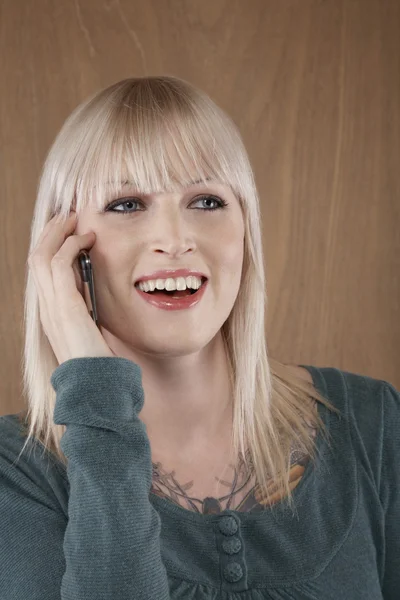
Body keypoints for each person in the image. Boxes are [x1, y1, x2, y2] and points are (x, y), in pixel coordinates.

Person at [0, 76, 398, 599]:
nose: (174, 239)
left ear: (244, 231)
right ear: (67, 249)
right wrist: (94, 388)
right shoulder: (16, 476)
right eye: (126, 204)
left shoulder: (374, 425)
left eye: (207, 201)